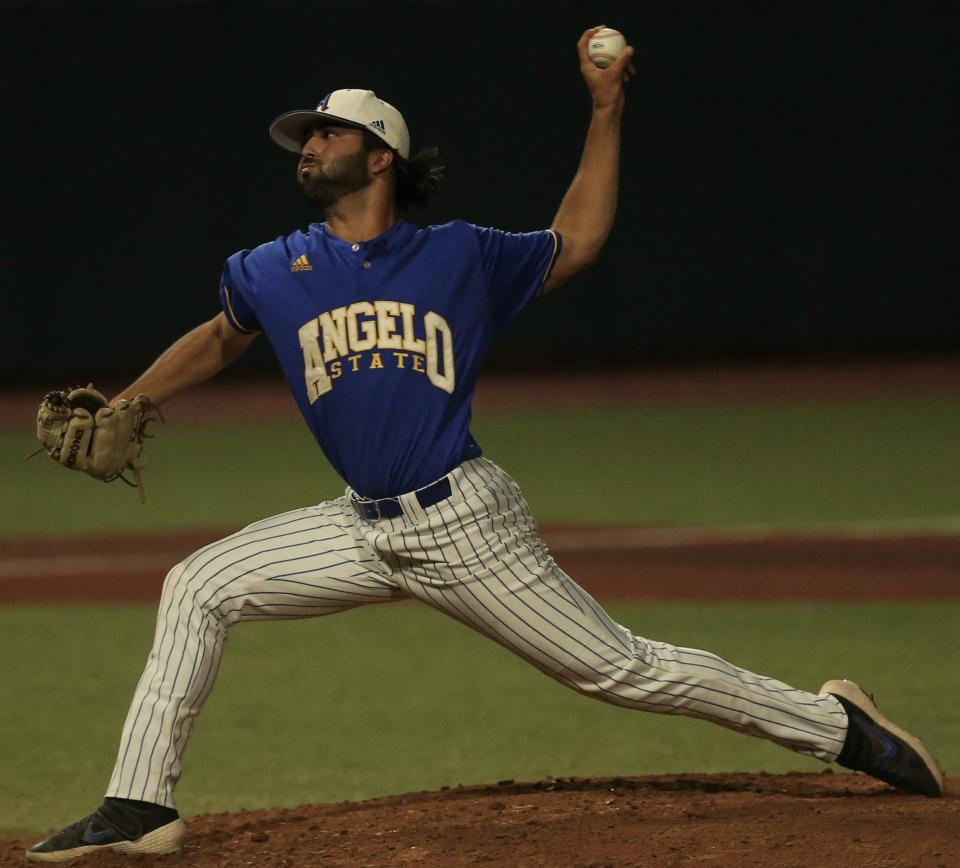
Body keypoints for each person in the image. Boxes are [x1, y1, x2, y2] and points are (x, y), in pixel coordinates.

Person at [27, 26, 943, 863]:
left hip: (462, 524)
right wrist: (133, 399)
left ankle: (836, 727)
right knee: (197, 585)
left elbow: (576, 241)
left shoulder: (459, 255)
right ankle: (140, 805)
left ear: (378, 155)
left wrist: (607, 107)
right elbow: (223, 333)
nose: (307, 147)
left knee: (620, 669)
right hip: (356, 527)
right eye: (305, 137)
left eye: (326, 133)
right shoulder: (275, 266)